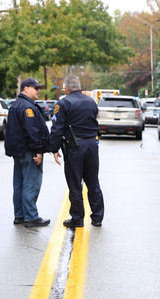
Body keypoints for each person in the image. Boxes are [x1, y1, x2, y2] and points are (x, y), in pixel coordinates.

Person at [48, 74, 104, 228]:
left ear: (66, 88)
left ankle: (77, 218)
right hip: (92, 145)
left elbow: (57, 128)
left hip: (75, 147)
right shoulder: (91, 102)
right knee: (93, 182)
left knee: (75, 184)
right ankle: (98, 217)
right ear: (79, 87)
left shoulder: (64, 103)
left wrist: (54, 148)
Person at [5, 78, 56, 227]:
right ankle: (31, 217)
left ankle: (19, 215)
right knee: (31, 184)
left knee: (19, 184)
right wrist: (38, 151)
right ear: (26, 88)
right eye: (36, 88)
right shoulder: (27, 107)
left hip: (18, 152)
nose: (38, 91)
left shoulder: (15, 105)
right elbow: (32, 131)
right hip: (29, 151)